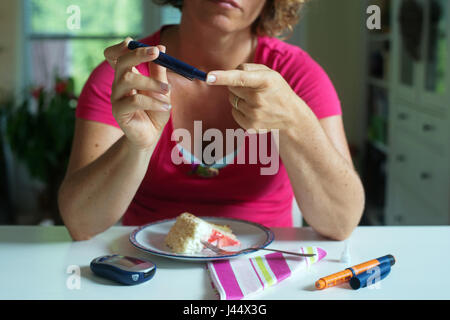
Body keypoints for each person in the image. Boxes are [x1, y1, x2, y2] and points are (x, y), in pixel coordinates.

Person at [58, 0, 365, 241]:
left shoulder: (298, 75)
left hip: (265, 272)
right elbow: (81, 224)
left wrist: (295, 122)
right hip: (149, 272)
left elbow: (341, 222)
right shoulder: (127, 76)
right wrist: (136, 147)